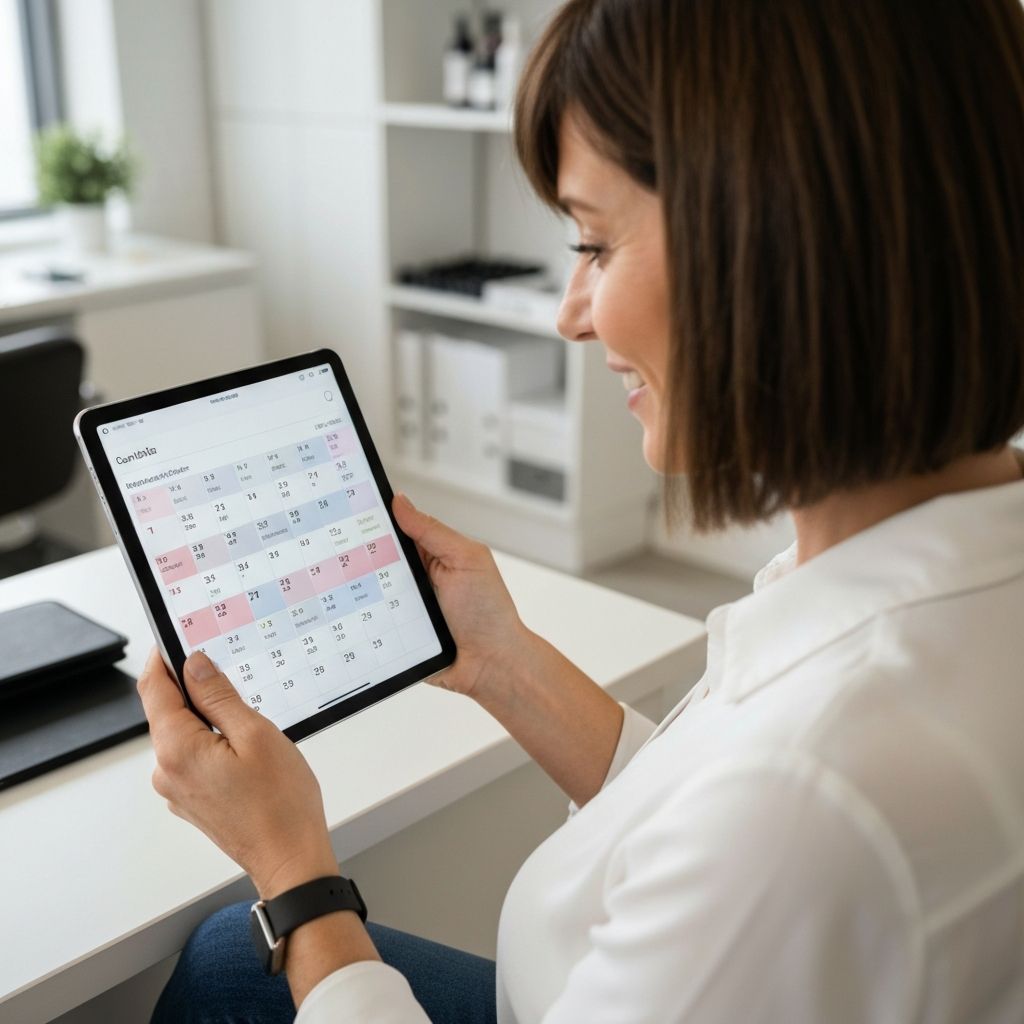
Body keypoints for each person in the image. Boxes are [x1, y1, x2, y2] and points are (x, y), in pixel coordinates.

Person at [144, 0, 1024, 1021]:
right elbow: (704, 809)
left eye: (595, 246)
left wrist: (291, 868)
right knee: (218, 959)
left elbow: (753, 824)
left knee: (233, 952)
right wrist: (501, 657)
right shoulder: (934, 581)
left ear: (777, 246)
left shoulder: (807, 797)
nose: (570, 313)